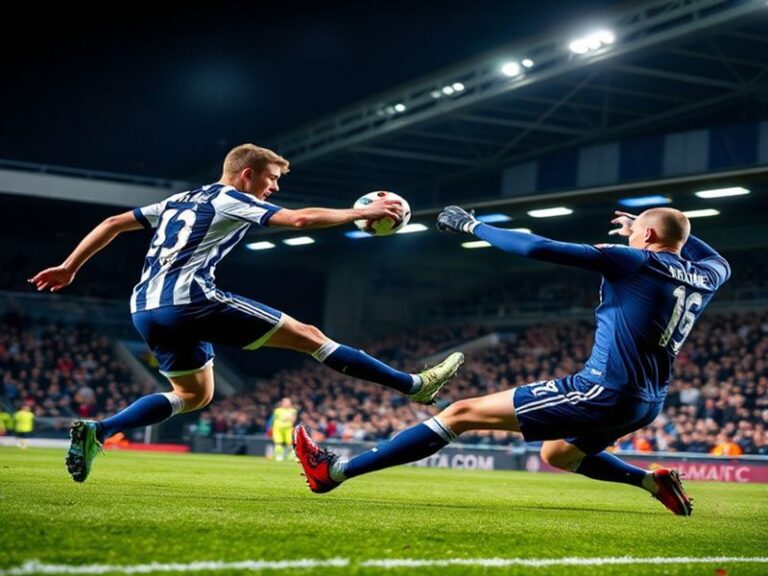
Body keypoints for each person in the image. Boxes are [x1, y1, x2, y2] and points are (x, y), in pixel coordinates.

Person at [28, 143, 464, 483]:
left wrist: (70, 267)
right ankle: (413, 385)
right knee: (309, 335)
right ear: (247, 174)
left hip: (144, 307)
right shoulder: (228, 199)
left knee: (195, 395)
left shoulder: (180, 200)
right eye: (271, 179)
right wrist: (359, 212)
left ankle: (99, 430)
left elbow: (110, 224)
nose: (274, 188)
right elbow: (297, 221)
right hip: (189, 298)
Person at [294, 206, 730, 516]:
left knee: (459, 413)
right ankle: (652, 482)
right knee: (559, 454)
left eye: (639, 233)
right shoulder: (708, 274)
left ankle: (333, 471)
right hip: (646, 403)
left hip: (602, 390)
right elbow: (704, 252)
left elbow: (538, 247)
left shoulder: (633, 260)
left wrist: (472, 225)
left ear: (649, 238)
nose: (630, 236)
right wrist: (659, 227)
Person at [271, 397, 298, 461]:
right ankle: (279, 456)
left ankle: (290, 455)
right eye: (285, 402)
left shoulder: (293, 411)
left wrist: (290, 418)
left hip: (288, 429)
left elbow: (294, 420)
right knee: (278, 443)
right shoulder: (277, 411)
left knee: (290, 443)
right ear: (282, 403)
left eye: (288, 402)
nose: (287, 404)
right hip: (278, 429)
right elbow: (274, 420)